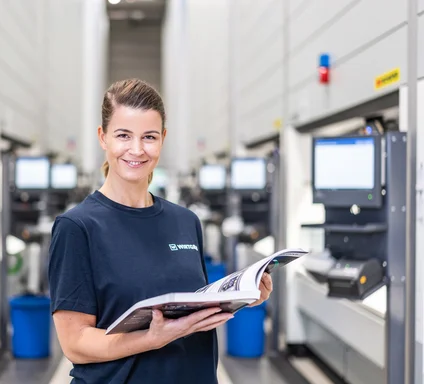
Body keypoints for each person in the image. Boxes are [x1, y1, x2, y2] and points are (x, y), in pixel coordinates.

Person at [48, 78, 273, 383]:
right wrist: (152, 339)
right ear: (103, 138)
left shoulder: (185, 221)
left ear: (163, 138)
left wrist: (242, 295)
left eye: (149, 137)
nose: (137, 150)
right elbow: (75, 344)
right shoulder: (77, 227)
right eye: (123, 135)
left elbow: (190, 311)